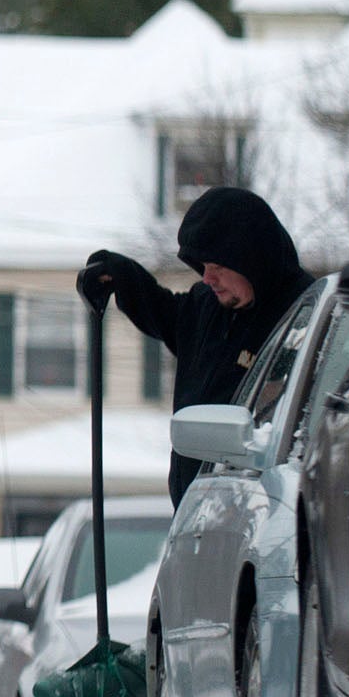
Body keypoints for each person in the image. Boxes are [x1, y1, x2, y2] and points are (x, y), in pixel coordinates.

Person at [77, 185, 313, 506]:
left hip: (261, 513)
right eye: (203, 267)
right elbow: (164, 313)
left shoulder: (302, 317)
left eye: (217, 267)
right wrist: (118, 274)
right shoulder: (208, 308)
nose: (207, 278)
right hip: (195, 509)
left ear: (250, 260)